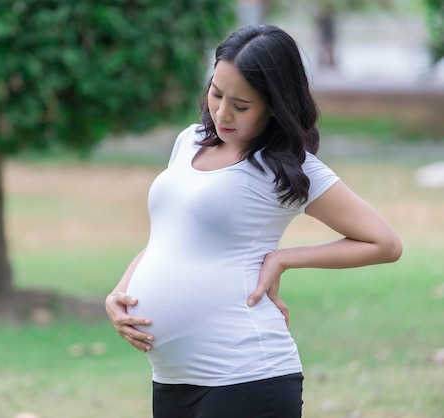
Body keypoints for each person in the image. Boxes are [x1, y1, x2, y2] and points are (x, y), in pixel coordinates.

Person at [105, 24, 402, 418]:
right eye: (216, 93)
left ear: (274, 105)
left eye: (241, 105)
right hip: (173, 381)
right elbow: (168, 239)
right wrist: (120, 293)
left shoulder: (289, 169)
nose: (222, 113)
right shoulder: (188, 141)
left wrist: (283, 258)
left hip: (246, 377)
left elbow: (384, 242)